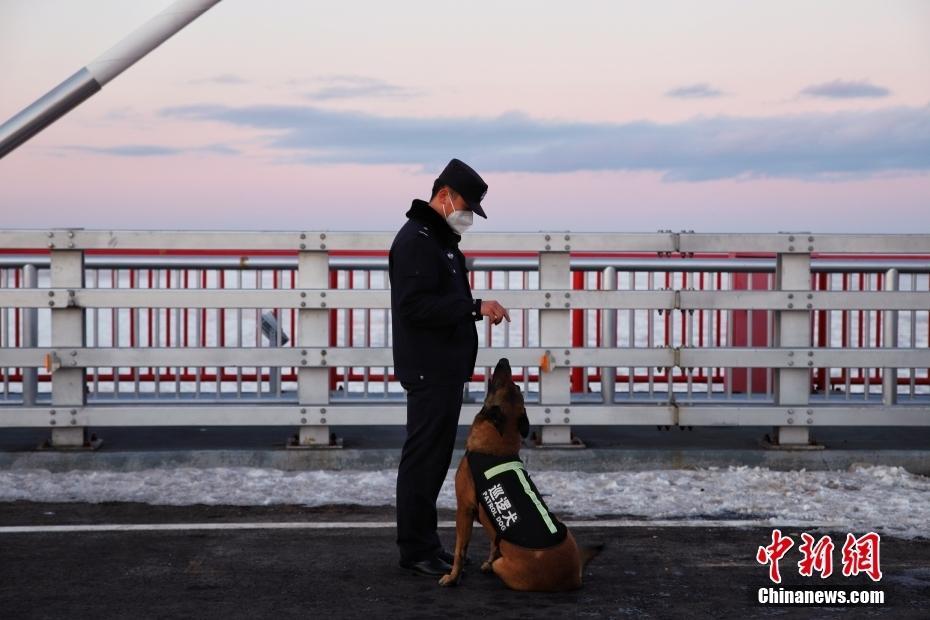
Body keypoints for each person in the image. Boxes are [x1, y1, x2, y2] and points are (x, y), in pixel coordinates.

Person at [389, 158, 510, 576]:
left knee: (434, 459)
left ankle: (427, 544)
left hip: (442, 368)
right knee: (423, 458)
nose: (468, 217)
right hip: (428, 368)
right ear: (444, 196)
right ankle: (415, 549)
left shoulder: (437, 239)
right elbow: (415, 306)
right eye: (466, 207)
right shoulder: (417, 241)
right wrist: (475, 307)